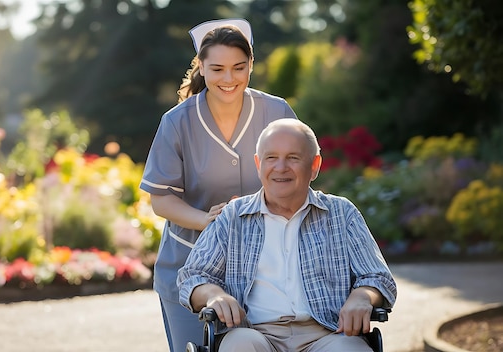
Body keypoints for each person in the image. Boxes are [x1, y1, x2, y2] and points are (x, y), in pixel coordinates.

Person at [139, 18, 298, 352]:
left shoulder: (276, 111)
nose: (229, 79)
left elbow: (297, 178)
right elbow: (161, 199)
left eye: (239, 68)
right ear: (201, 66)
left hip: (266, 269)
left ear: (252, 65)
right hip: (188, 269)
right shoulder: (177, 121)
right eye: (218, 69)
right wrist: (208, 221)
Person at [177, 118, 398, 352]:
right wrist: (213, 294)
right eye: (271, 157)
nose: (281, 167)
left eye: (293, 158)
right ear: (258, 164)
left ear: (314, 165)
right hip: (253, 333)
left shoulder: (341, 213)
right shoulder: (232, 217)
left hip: (329, 334)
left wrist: (362, 297)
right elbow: (192, 277)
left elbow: (378, 277)